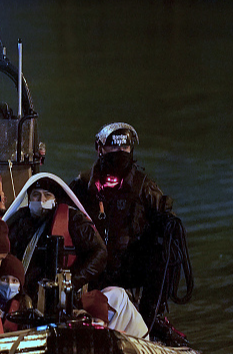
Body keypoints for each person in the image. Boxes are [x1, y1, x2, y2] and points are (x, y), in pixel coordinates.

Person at [68, 122, 191, 329]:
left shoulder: (144, 187)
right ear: (100, 149)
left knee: (164, 250)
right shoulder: (82, 186)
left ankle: (151, 320)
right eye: (114, 148)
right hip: (92, 268)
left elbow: (168, 219)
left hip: (128, 267)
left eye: (124, 148)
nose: (120, 153)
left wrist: (164, 224)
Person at [7, 176, 149, 338]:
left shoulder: (73, 220)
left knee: (117, 296)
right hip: (26, 297)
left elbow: (100, 254)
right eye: (36, 195)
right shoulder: (19, 220)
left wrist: (70, 283)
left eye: (47, 195)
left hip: (66, 297)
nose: (41, 200)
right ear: (29, 197)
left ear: (55, 199)